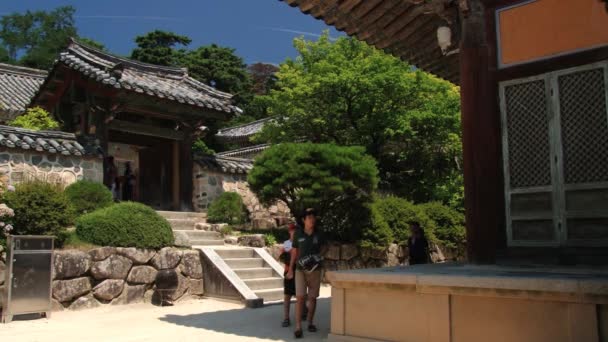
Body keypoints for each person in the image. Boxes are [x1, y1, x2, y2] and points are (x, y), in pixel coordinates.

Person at [287, 208, 327, 339]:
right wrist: (291, 269)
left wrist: (318, 256)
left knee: (313, 297)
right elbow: (294, 252)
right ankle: (298, 327)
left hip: (315, 269)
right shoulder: (298, 234)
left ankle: (310, 322)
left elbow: (325, 247)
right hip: (300, 270)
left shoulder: (319, 234)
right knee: (300, 298)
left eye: (313, 217)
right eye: (309, 217)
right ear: (304, 220)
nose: (312, 220)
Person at [280, 223, 297, 327]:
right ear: (289, 231)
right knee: (287, 295)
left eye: (295, 230)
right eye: (292, 230)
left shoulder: (300, 243)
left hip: (298, 270)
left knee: (300, 295)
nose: (293, 232)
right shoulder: (286, 243)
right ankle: (286, 318)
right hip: (288, 270)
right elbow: (282, 257)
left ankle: (303, 311)